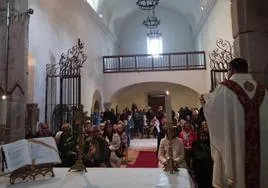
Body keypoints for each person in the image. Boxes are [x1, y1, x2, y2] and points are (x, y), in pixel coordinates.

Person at [202, 58, 268, 188]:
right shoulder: (263, 91)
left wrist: (205, 103)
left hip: (236, 144)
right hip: (260, 148)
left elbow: (211, 111)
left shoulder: (224, 88)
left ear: (231, 69)